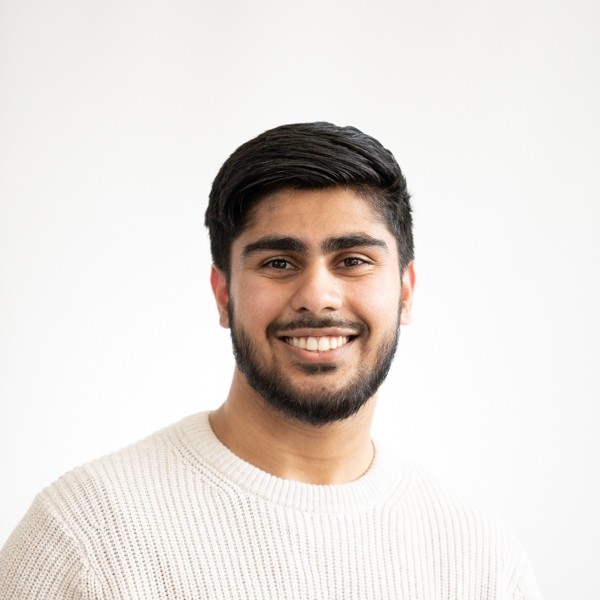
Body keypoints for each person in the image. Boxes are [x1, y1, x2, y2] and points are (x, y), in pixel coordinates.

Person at [0, 122, 542, 599]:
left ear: (405, 291)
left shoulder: (482, 562)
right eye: (279, 262)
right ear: (223, 294)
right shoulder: (84, 537)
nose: (318, 297)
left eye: (353, 260)